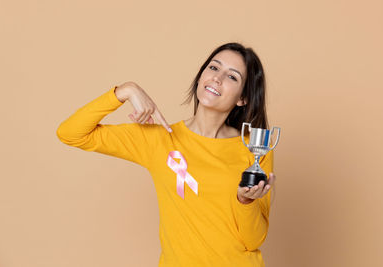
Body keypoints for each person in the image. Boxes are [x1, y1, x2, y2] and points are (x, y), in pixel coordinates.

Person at [56, 42, 276, 267]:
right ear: (200, 77)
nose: (217, 78)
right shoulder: (158, 140)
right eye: (213, 68)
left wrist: (246, 201)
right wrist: (125, 91)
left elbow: (254, 240)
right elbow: (70, 133)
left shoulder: (253, 149)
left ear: (243, 98)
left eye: (232, 77)